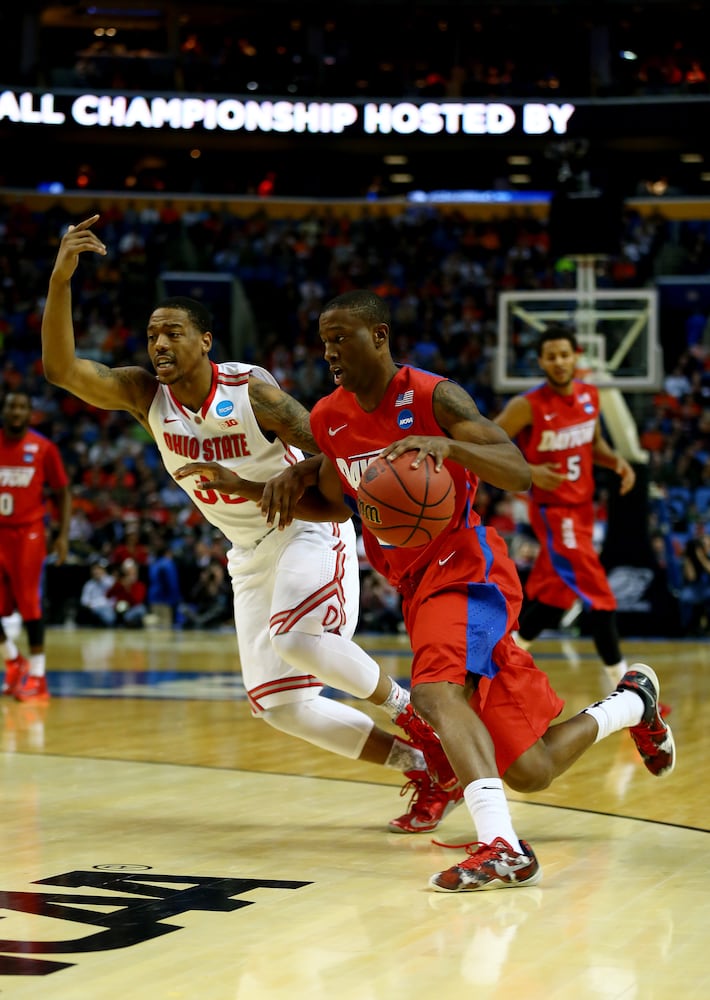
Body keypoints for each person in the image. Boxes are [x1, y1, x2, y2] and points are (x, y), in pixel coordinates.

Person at [238, 289, 674, 892]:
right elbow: (340, 505)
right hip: (417, 586)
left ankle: (503, 847)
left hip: (468, 565)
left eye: (342, 337)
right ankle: (633, 702)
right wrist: (266, 484)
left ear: (380, 336)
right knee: (530, 768)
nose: (330, 351)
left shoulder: (432, 394)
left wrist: (451, 446)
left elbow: (518, 470)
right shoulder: (327, 418)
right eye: (324, 340)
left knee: (435, 693)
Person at [40, 214, 461, 836]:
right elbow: (62, 370)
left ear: (205, 340)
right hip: (247, 549)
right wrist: (61, 279)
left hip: (306, 528)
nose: (158, 344)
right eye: (153, 334)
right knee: (279, 707)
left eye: (173, 333)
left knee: (295, 638)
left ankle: (414, 713)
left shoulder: (250, 394)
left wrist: (280, 484)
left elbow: (332, 451)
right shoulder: (142, 396)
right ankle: (423, 764)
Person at [493, 325, 665, 697]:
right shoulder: (527, 405)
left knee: (555, 597)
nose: (558, 362)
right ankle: (626, 691)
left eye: (564, 354)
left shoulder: (589, 396)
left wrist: (616, 461)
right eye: (550, 356)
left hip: (583, 511)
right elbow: (488, 439)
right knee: (599, 594)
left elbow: (595, 443)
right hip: (556, 514)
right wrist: (529, 471)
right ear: (541, 361)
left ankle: (498, 667)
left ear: (576, 356)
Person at [0, 389, 71, 702]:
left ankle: (39, 677)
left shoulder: (43, 448)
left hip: (27, 533)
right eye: (11, 406)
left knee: (29, 604)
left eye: (22, 406)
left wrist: (63, 535)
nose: (16, 411)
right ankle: (14, 660)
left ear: (30, 414)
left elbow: (63, 493)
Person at [77, 558, 117, 627]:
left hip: (108, 608)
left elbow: (114, 598)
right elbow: (84, 600)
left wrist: (95, 604)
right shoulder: (89, 584)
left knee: (109, 618)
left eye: (99, 569)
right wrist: (91, 606)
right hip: (94, 610)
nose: (96, 571)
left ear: (104, 570)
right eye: (94, 569)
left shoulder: (111, 581)